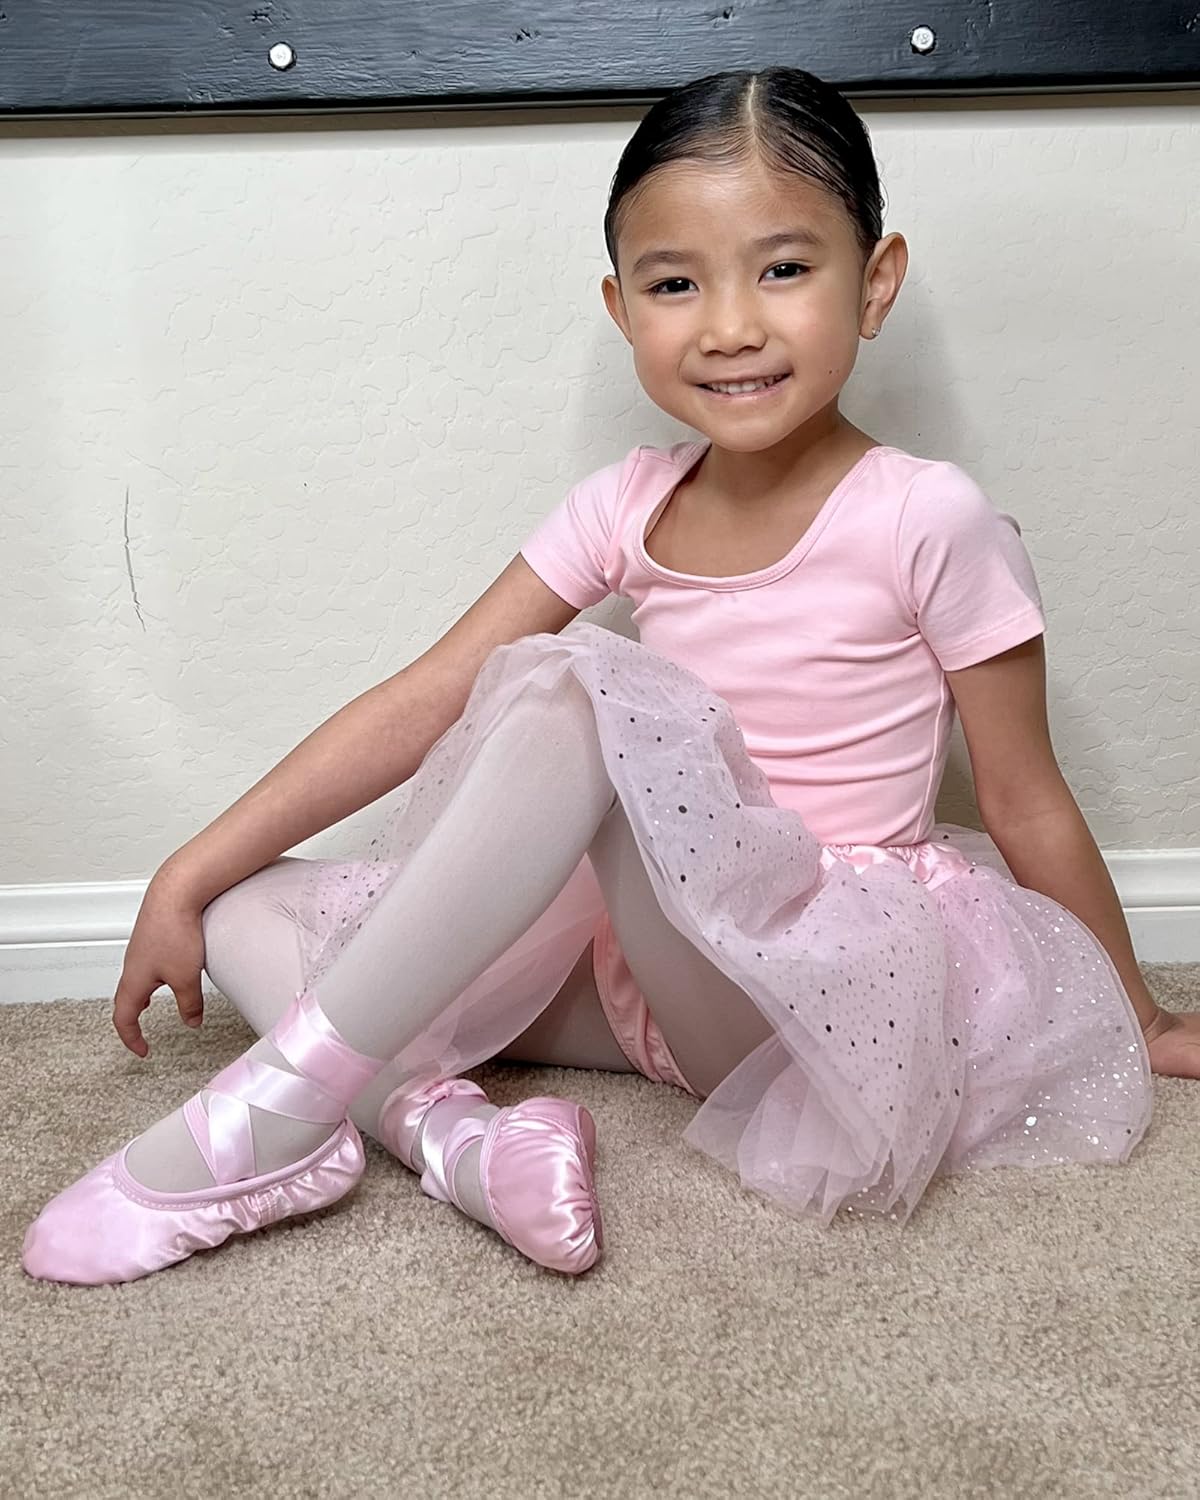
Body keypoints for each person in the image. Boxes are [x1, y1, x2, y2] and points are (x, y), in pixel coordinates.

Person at [23, 66, 1199, 1288]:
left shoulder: (926, 516)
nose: (730, 325)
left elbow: (1024, 798)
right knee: (244, 907)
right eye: (675, 284)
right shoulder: (626, 503)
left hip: (813, 1002)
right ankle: (455, 1142)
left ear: (876, 282)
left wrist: (1143, 1015)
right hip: (654, 979)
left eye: (783, 269)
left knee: (581, 685)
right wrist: (185, 870)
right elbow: (431, 694)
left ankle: (267, 1116)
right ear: (621, 306)